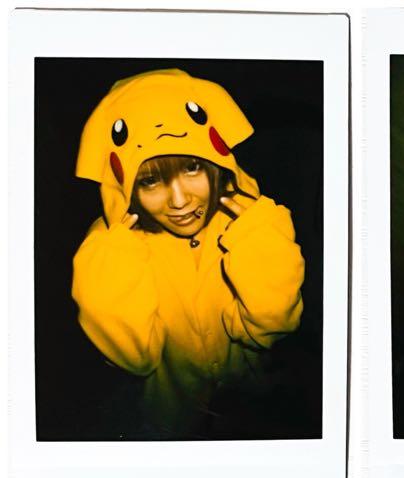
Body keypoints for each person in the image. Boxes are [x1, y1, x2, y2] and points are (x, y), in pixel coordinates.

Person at [71, 69, 305, 437]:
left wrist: (260, 241)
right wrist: (112, 264)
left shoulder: (250, 224)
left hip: (255, 413)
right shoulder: (114, 250)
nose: (179, 201)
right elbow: (134, 357)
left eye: (192, 168)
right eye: (150, 181)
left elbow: (273, 326)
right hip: (170, 426)